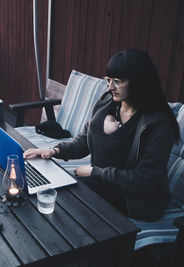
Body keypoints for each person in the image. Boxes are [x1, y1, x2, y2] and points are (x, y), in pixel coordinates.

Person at [24, 49, 180, 222]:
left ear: (139, 82)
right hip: (104, 183)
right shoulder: (108, 101)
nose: (110, 87)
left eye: (118, 81)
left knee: (68, 202)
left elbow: (143, 180)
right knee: (55, 193)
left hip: (137, 200)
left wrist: (95, 172)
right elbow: (85, 141)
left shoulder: (158, 124)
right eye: (109, 80)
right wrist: (54, 151)